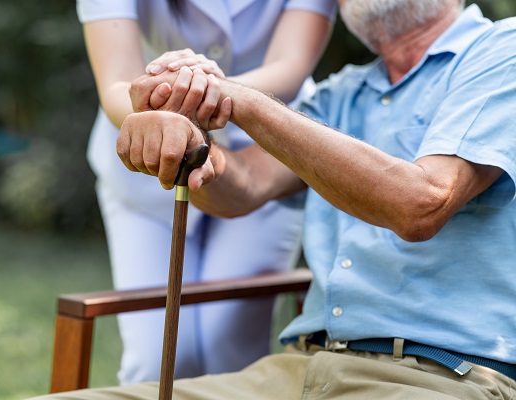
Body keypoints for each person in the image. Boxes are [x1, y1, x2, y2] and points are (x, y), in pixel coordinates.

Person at [34, 0, 516, 398]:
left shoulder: (502, 52)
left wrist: (235, 98)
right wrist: (186, 138)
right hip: (300, 369)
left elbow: (421, 204)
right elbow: (242, 188)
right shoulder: (339, 95)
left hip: (438, 376)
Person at [77, 0, 337, 384]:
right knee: (155, 361)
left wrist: (208, 90)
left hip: (265, 158)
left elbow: (292, 65)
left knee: (229, 348)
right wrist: (160, 107)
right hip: (148, 170)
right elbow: (116, 80)